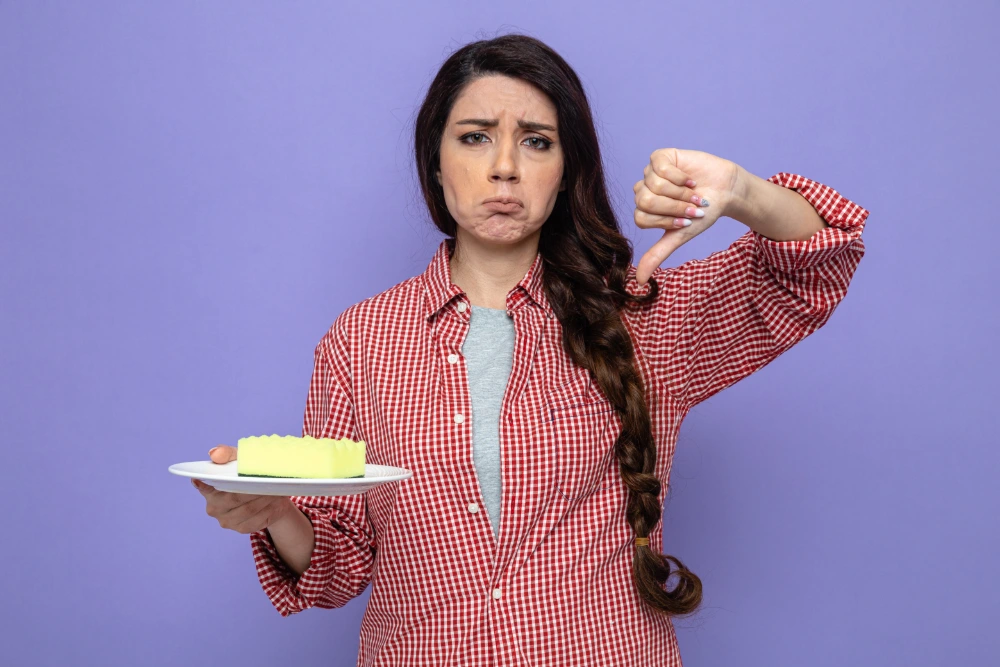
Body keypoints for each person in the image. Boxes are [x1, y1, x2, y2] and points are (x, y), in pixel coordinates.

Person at [192, 33, 869, 667]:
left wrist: (743, 191)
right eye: (475, 137)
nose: (506, 167)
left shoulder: (643, 317)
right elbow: (336, 567)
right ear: (436, 157)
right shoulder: (360, 341)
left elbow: (815, 261)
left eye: (537, 142)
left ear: (566, 167)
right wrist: (274, 509)